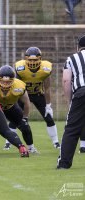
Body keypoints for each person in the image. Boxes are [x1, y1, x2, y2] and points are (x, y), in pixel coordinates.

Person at [13, 47, 60, 149]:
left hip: (38, 94)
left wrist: (48, 105)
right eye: (30, 60)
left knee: (49, 118)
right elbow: (17, 86)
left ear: (40, 59)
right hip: (23, 95)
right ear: (26, 59)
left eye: (35, 60)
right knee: (15, 119)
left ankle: (56, 142)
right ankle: (8, 142)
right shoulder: (20, 68)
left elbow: (47, 88)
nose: (32, 62)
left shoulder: (45, 69)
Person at [57, 35, 85, 169]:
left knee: (72, 129)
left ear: (78, 47)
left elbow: (66, 80)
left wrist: (70, 100)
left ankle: (64, 164)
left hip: (81, 93)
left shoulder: (72, 58)